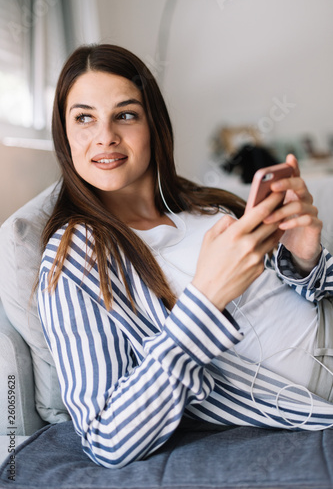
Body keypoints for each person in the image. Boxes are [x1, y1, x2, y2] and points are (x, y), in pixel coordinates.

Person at [37, 43, 333, 469]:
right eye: (84, 117)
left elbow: (307, 292)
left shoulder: (206, 203)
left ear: (152, 124)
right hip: (313, 392)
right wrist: (207, 298)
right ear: (64, 134)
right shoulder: (77, 258)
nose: (105, 136)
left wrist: (304, 259)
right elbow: (106, 437)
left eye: (125, 114)